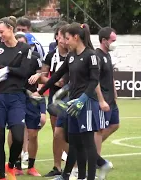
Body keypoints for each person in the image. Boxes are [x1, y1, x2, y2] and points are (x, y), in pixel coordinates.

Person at [35, 22, 101, 180]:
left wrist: (82, 100)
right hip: (72, 104)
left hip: (86, 104)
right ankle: (79, 177)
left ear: (76, 37)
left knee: (88, 143)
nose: (65, 42)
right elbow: (57, 75)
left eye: (67, 38)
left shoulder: (91, 55)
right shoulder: (71, 56)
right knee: (74, 142)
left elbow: (94, 81)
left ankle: (90, 177)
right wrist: (41, 91)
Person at [0, 16, 32, 180]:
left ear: (11, 29)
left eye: (1, 32)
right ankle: (1, 177)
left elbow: (24, 72)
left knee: (18, 138)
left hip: (17, 98)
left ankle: (11, 165)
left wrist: (4, 69)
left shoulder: (25, 48)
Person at [39, 23, 70, 178]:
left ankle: (74, 165)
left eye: (66, 36)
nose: (63, 39)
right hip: (55, 96)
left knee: (70, 132)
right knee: (56, 133)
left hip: (71, 96)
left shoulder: (74, 54)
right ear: (57, 37)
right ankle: (57, 166)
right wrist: (53, 81)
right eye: (60, 35)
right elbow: (42, 75)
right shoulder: (51, 55)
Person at [12, 33, 43, 177]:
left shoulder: (36, 58)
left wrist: (38, 75)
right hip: (16, 97)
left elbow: (41, 76)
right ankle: (16, 165)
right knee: (15, 132)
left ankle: (31, 166)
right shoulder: (11, 58)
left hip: (32, 99)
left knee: (33, 133)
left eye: (23, 43)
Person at [95, 27, 118, 173]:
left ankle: (89, 151)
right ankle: (96, 159)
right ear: (104, 41)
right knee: (99, 130)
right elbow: (94, 80)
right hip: (103, 99)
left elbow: (109, 76)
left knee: (115, 124)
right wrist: (101, 100)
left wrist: (114, 91)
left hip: (111, 99)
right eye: (113, 40)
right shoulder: (97, 56)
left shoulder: (107, 55)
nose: (115, 43)